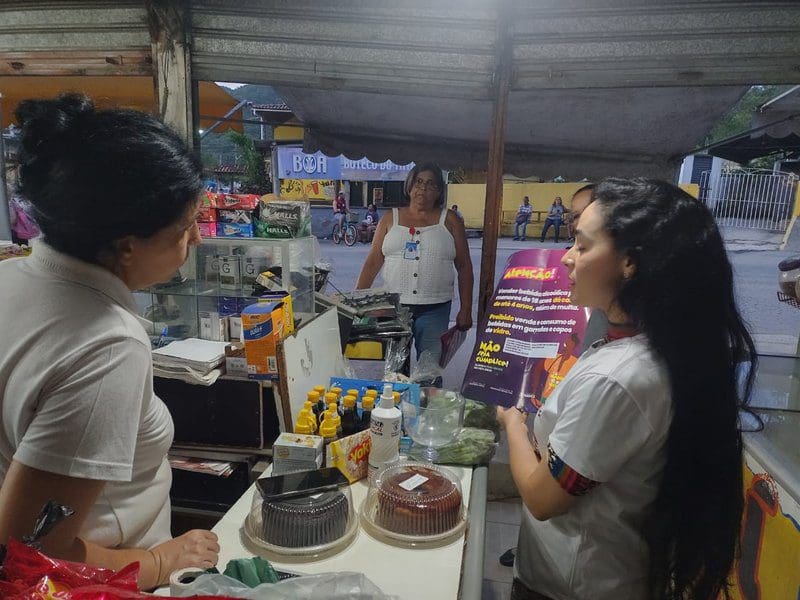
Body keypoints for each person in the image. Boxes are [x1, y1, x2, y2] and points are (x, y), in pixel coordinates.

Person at [497, 178, 756, 599]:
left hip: (575, 587)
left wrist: (513, 424)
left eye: (582, 246)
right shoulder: (639, 346)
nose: (567, 258)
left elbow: (542, 499)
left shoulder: (617, 379)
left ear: (630, 263)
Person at [0, 94, 219, 591]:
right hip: (98, 585)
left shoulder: (11, 279)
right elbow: (31, 548)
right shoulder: (107, 345)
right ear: (127, 245)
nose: (197, 240)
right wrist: (160, 561)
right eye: (184, 228)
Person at [356, 162, 473, 369]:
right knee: (395, 370)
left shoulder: (450, 220)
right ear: (409, 186)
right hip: (394, 308)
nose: (423, 188)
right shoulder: (389, 218)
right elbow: (373, 262)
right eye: (419, 182)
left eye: (431, 184)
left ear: (439, 191)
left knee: (430, 370)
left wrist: (466, 309)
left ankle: (428, 392)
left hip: (435, 309)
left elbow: (464, 267)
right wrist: (357, 301)